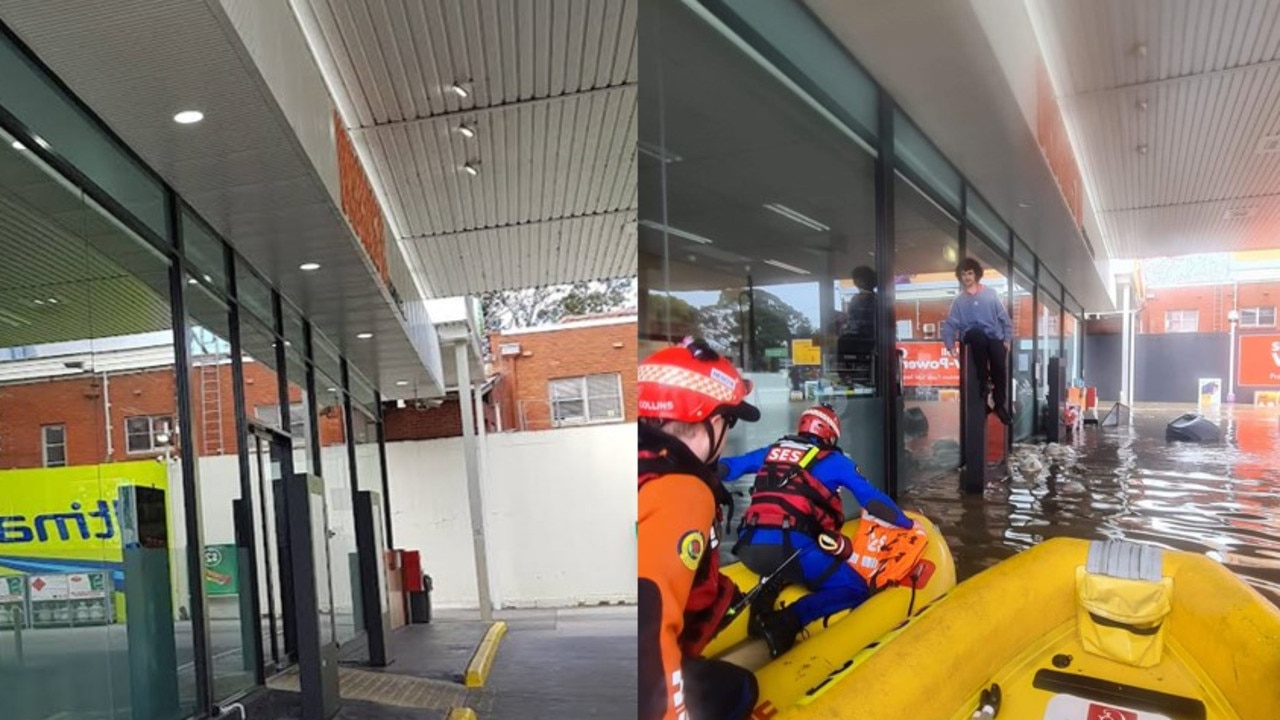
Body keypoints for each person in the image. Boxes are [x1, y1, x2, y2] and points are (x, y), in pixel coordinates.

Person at [719, 404, 916, 657]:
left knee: (794, 557)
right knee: (856, 589)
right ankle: (787, 621)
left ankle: (770, 591)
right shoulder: (835, 461)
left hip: (747, 546)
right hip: (790, 548)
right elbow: (873, 500)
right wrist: (908, 523)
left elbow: (729, 467)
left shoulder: (773, 451)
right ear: (831, 435)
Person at [639, 339, 762, 720]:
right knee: (740, 688)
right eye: (729, 420)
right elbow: (648, 622)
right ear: (710, 421)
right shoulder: (681, 490)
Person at [942, 258, 1014, 425]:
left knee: (999, 367)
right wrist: (950, 345)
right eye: (963, 274)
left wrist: (1007, 339)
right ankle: (984, 380)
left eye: (970, 273)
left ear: (976, 275)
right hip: (972, 336)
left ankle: (999, 405)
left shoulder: (990, 294)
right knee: (976, 333)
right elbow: (950, 325)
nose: (967, 277)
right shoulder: (959, 301)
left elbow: (1005, 319)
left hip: (993, 336)